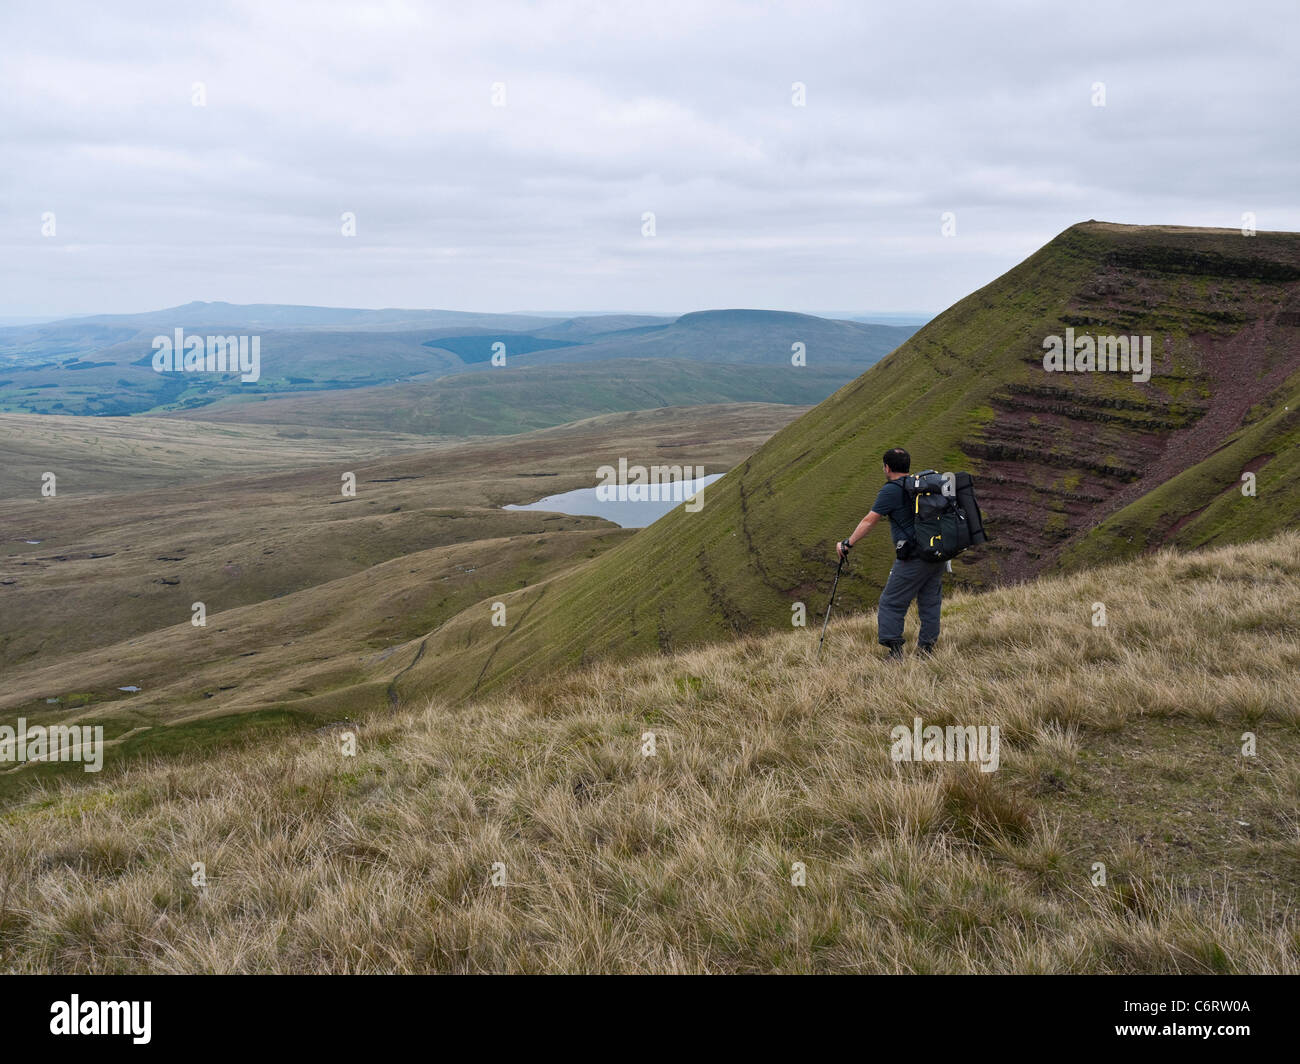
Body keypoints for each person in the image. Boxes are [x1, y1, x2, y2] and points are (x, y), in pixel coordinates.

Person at [835, 447, 942, 660]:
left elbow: (869, 520)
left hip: (913, 556)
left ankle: (895, 653)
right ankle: (926, 650)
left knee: (890, 602)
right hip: (937, 552)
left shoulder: (891, 490)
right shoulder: (921, 486)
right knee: (930, 602)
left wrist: (848, 543)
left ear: (887, 467)